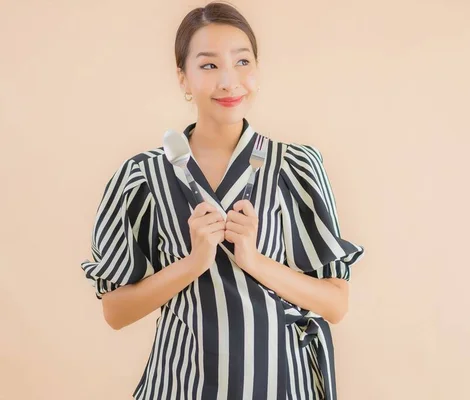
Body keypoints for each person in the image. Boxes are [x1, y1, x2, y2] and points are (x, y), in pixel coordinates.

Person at [80, 3, 364, 399]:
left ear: (258, 71)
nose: (230, 81)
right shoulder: (142, 177)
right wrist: (193, 263)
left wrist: (254, 260)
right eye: (209, 65)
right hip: (180, 385)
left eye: (242, 61)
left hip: (280, 384)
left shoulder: (296, 166)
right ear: (183, 78)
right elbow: (115, 312)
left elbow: (336, 304)